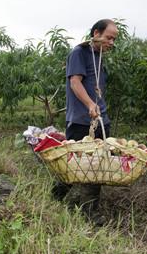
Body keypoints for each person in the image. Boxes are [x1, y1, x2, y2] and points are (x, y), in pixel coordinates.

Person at [51, 19, 118, 224]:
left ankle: (90, 211)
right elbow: (75, 82)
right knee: (75, 164)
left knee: (97, 165)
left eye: (114, 39)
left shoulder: (98, 57)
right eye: (108, 37)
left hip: (100, 119)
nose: (112, 42)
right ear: (96, 33)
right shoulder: (78, 53)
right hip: (82, 120)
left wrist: (99, 109)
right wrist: (90, 105)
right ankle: (56, 194)